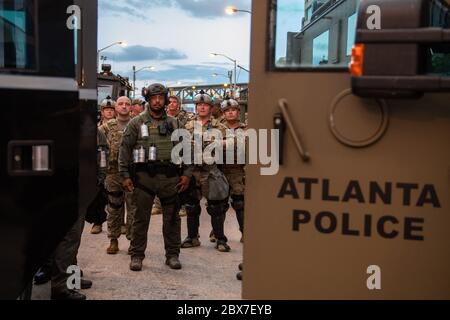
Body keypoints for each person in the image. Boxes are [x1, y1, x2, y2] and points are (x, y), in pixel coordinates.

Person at [119, 83, 191, 271]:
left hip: (170, 177)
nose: (157, 101)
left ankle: (172, 255)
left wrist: (187, 174)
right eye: (153, 98)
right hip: (144, 178)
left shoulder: (176, 124)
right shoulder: (136, 123)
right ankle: (136, 255)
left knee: (172, 219)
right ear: (148, 100)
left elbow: (188, 151)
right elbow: (125, 150)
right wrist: (124, 175)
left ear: (166, 100)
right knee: (140, 219)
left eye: (160, 97)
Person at [180, 91, 231, 252]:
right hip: (192, 170)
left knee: (216, 207)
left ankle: (220, 239)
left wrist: (220, 143)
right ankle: (192, 237)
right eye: (199, 105)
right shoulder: (187, 125)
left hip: (210, 170)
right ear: (196, 107)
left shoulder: (219, 126)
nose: (202, 108)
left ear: (210, 108)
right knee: (191, 206)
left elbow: (231, 142)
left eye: (205, 105)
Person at [98, 96, 136, 254]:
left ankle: (133, 241)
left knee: (133, 208)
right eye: (121, 104)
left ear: (131, 107)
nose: (124, 106)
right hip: (112, 173)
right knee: (114, 207)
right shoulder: (106, 127)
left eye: (127, 104)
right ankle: (113, 239)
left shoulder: (137, 125)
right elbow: (99, 148)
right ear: (116, 108)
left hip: (133, 173)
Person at [221, 99, 246, 242]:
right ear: (224, 114)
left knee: (239, 203)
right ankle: (217, 233)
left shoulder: (246, 129)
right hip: (220, 169)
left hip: (238, 170)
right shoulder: (217, 129)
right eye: (227, 110)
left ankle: (245, 232)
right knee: (218, 203)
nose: (230, 112)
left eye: (233, 109)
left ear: (238, 112)